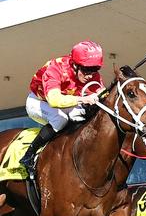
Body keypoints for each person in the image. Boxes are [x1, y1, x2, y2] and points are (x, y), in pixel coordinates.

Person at [20, 41, 103, 177]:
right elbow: (54, 100)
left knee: (81, 114)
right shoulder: (56, 68)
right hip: (38, 102)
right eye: (87, 70)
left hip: (67, 102)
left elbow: (101, 95)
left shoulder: (92, 76)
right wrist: (83, 99)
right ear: (75, 65)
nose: (90, 76)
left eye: (95, 70)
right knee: (60, 119)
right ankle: (29, 155)